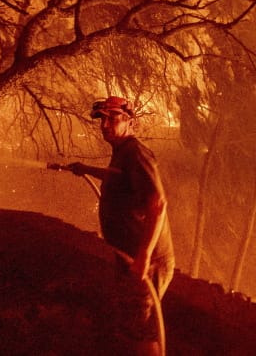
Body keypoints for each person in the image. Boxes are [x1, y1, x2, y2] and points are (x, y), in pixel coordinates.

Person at [65, 96, 175, 355]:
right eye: (102, 119)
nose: (104, 125)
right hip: (132, 259)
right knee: (129, 322)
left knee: (140, 327)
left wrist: (144, 257)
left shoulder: (135, 152)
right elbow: (118, 178)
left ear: (130, 121)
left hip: (146, 262)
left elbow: (157, 203)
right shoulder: (122, 154)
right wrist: (85, 169)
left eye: (112, 118)